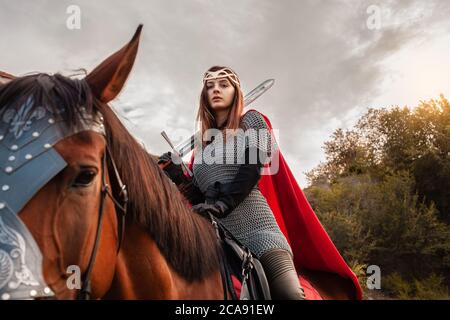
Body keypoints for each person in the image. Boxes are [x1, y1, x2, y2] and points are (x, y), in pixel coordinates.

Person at [159, 66, 305, 300]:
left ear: (236, 92)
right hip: (214, 237)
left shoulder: (251, 120)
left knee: (289, 296)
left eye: (224, 85)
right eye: (210, 86)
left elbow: (251, 169)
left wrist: (224, 203)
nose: (216, 89)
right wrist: (177, 175)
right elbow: (200, 197)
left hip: (258, 230)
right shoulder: (202, 144)